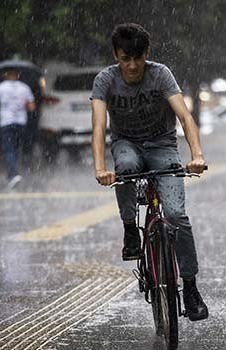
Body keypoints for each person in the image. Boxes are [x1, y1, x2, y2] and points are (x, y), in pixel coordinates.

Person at [90, 23, 208, 321]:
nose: (131, 66)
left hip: (162, 146)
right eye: (124, 59)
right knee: (126, 167)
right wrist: (100, 167)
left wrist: (197, 155)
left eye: (137, 59)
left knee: (177, 216)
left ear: (147, 54)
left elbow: (184, 116)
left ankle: (191, 288)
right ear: (116, 55)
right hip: (126, 144)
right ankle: (131, 227)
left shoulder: (161, 74)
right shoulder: (105, 79)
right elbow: (98, 126)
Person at [0, 69, 36, 189]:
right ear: (18, 75)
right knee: (16, 148)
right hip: (20, 123)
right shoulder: (24, 88)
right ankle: (13, 172)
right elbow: (31, 107)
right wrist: (22, 104)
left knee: (8, 149)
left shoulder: (1, 87)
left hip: (6, 122)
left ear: (6, 75)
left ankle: (13, 174)